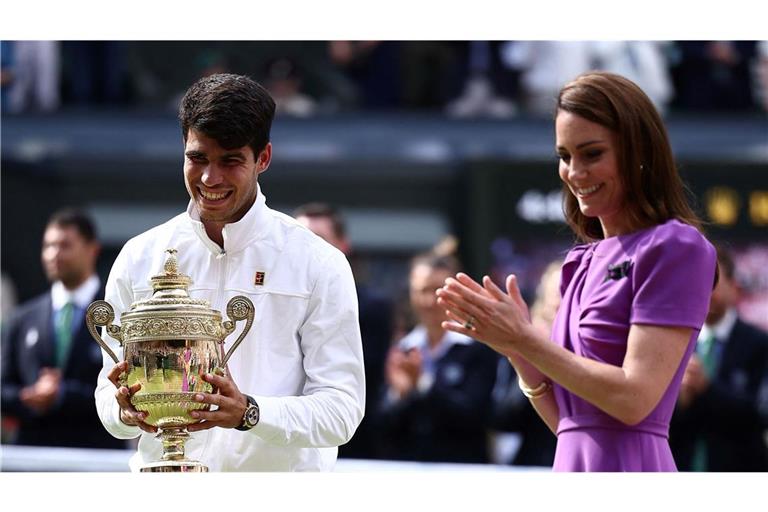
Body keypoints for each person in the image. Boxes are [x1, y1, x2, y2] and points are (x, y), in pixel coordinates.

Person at [436, 71, 717, 472]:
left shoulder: (676, 247)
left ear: (638, 150)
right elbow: (569, 423)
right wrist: (515, 350)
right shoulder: (578, 263)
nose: (574, 172)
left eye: (592, 154)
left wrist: (527, 339)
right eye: (564, 156)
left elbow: (634, 401)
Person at [93, 73, 365, 472]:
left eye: (230, 160)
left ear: (264, 158)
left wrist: (249, 413)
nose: (209, 178)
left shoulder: (319, 263)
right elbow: (107, 395)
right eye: (197, 158)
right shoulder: (139, 256)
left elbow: (342, 410)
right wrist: (126, 413)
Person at [1, 208, 126, 449]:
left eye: (64, 245)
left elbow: (125, 389)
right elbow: (4, 388)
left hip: (96, 457)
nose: (53, 254)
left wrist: (62, 395)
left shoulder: (117, 315)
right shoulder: (23, 318)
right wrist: (29, 396)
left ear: (93, 250)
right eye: (48, 245)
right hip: (31, 455)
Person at [378, 251, 499, 463]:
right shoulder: (403, 349)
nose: (429, 300)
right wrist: (400, 395)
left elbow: (477, 415)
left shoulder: (479, 347)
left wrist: (423, 385)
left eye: (437, 290)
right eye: (421, 290)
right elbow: (382, 423)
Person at [294, 202, 393, 460]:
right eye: (301, 239)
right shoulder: (279, 300)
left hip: (356, 442)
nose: (309, 249)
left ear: (343, 245)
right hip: (292, 438)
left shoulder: (373, 307)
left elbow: (366, 373)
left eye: (319, 239)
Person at [670, 245, 768, 471]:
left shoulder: (760, 344)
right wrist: (680, 402)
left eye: (712, 282)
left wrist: (707, 389)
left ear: (735, 289)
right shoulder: (676, 344)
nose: (703, 291)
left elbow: (759, 415)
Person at [490, 259, 562, 467]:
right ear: (544, 297)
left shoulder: (597, 344)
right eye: (558, 293)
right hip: (532, 463)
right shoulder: (520, 340)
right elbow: (502, 417)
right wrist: (529, 355)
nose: (562, 301)